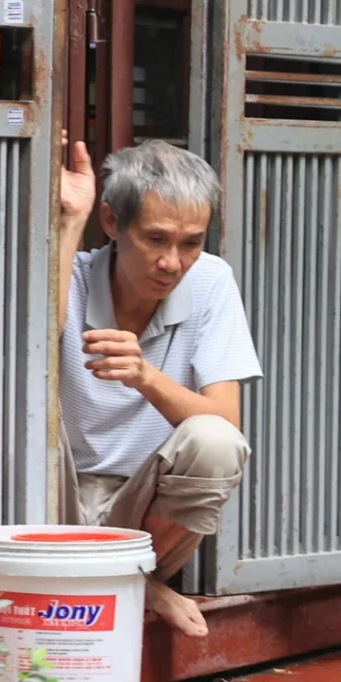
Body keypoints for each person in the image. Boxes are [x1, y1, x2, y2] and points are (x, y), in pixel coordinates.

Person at [54, 138, 261, 637]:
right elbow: (24, 353)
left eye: (191, 242)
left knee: (216, 443)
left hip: (140, 508)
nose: (173, 261)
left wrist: (146, 376)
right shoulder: (72, 275)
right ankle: (134, 583)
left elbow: (223, 419)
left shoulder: (211, 281)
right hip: (53, 493)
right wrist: (67, 223)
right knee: (16, 411)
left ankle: (131, 574)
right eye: (156, 239)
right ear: (111, 223)